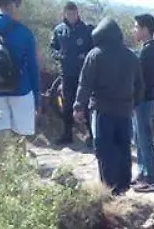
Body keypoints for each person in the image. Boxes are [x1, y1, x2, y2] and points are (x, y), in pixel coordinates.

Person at [74, 18, 143, 196]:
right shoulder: (131, 56)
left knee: (104, 149)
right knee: (123, 148)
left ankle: (108, 187)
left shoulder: (95, 55)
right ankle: (122, 187)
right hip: (125, 111)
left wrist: (79, 106)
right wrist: (134, 103)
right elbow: (139, 85)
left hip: (102, 110)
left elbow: (85, 83)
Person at [0, 0, 41, 160]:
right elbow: (33, 67)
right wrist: (37, 99)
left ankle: (2, 172)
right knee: (20, 138)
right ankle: (17, 169)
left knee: (0, 138)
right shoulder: (24, 32)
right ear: (12, 5)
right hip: (21, 90)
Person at [49, 2, 93, 145]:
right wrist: (59, 55)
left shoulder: (87, 30)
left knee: (86, 104)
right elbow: (53, 48)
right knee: (67, 105)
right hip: (66, 74)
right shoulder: (59, 30)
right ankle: (67, 135)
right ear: (64, 14)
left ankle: (91, 136)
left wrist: (85, 55)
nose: (72, 16)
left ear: (78, 13)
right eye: (69, 14)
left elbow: (93, 49)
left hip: (83, 74)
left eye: (74, 13)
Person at [132, 13, 154, 191]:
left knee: (145, 140)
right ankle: (142, 173)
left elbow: (143, 79)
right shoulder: (147, 48)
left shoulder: (150, 50)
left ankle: (151, 179)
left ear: (145, 29)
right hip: (140, 100)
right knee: (138, 139)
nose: (134, 30)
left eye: (136, 27)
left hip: (144, 100)